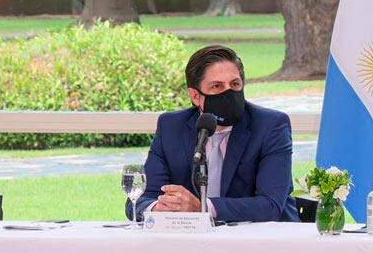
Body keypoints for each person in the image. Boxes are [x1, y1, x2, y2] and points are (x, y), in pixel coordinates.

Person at [126, 45, 299, 223]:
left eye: (235, 84)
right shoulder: (171, 127)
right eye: (217, 86)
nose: (229, 93)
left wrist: (201, 207)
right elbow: (140, 199)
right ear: (195, 96)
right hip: (192, 241)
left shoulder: (270, 125)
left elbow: (270, 206)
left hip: (262, 240)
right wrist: (159, 207)